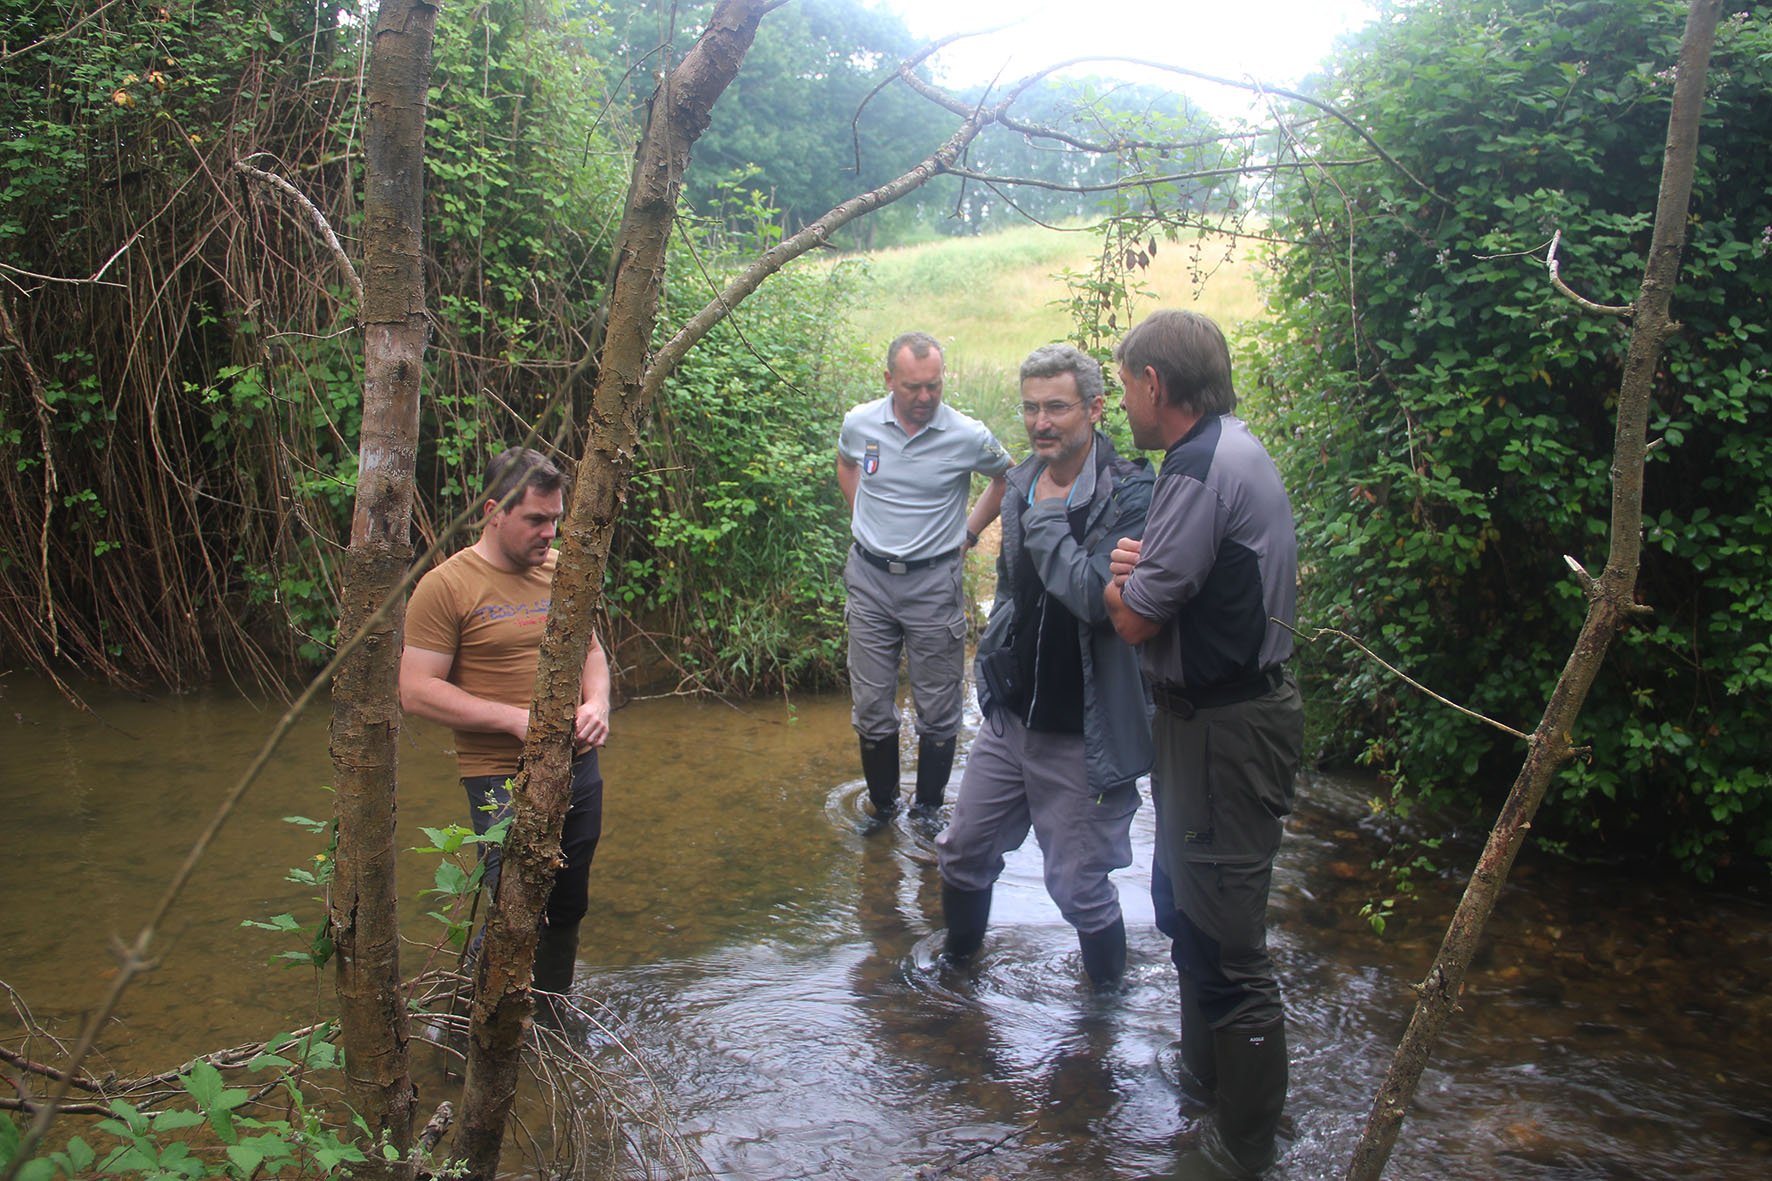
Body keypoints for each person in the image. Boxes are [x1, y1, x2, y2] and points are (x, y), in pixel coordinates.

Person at [1102, 310, 1305, 1175]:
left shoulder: (1194, 466)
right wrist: (1138, 578)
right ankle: (1204, 1085)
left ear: (1155, 384)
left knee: (1226, 938)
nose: (1123, 402)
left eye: (1124, 385)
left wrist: (1120, 587)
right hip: (1212, 724)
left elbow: (1140, 615)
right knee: (1186, 910)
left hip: (1226, 728)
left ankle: (1244, 1146)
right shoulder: (1228, 445)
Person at [934, 344, 1154, 989]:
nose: (1040, 422)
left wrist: (1050, 517)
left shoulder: (1133, 493)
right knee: (962, 854)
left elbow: (1093, 599)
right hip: (1010, 718)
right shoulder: (1023, 480)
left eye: (1056, 407)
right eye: (1030, 408)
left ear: (1094, 408)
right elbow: (1012, 592)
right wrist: (994, 670)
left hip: (1084, 731)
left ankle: (1105, 1015)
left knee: (1078, 887)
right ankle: (954, 975)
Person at [399, 447, 611, 999]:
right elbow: (416, 689)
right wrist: (515, 721)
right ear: (494, 511)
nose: (550, 532)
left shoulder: (564, 570)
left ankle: (551, 1022)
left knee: (568, 904)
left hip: (578, 765)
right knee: (516, 909)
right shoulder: (446, 586)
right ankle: (468, 1023)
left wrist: (598, 705)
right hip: (500, 776)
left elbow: (591, 650)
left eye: (556, 519)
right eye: (536, 520)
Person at [837, 331, 1012, 825]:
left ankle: (929, 811)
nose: (924, 398)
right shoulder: (860, 423)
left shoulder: (967, 435)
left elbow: (1007, 477)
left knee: (938, 707)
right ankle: (884, 808)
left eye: (933, 386)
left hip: (934, 582)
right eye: (913, 387)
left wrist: (970, 533)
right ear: (889, 380)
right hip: (869, 579)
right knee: (872, 706)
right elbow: (847, 462)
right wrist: (861, 518)